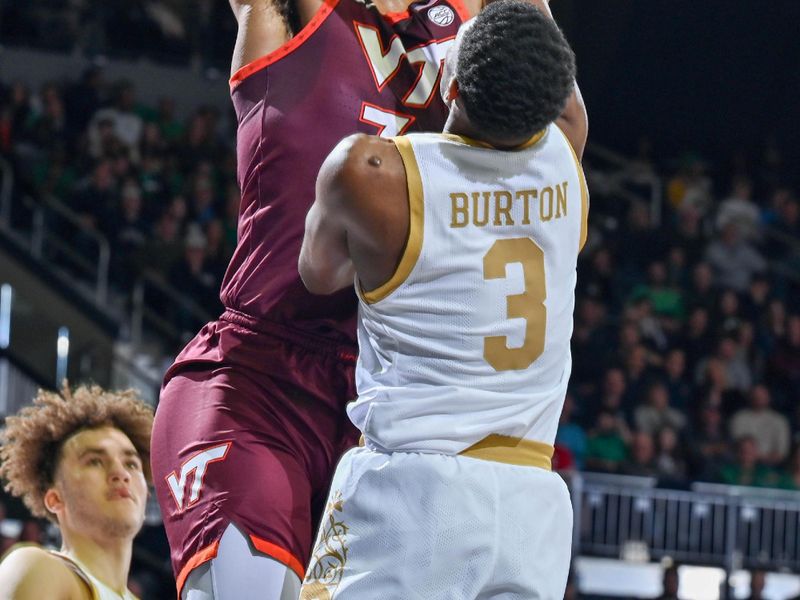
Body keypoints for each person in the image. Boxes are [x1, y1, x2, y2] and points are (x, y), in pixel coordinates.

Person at [149, 0, 486, 596]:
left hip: (394, 407)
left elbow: (556, 106)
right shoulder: (295, 15)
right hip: (259, 378)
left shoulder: (476, 40)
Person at [298, 0, 587, 596]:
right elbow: (562, 89)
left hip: (415, 492)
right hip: (532, 510)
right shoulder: (567, 158)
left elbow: (317, 274)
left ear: (450, 84)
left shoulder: (371, 171)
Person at [0, 385, 154, 600]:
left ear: (146, 495)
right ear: (55, 499)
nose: (120, 473)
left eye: (131, 464)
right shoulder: (38, 567)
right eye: (95, 461)